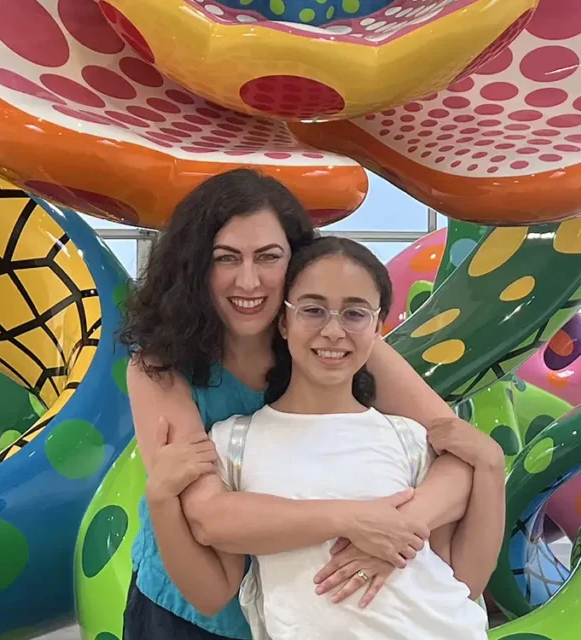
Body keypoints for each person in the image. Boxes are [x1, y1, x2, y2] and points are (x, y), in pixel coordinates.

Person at [118, 169, 506, 639]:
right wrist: (353, 521)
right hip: (192, 610)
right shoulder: (161, 367)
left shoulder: (336, 342)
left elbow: (460, 453)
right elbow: (207, 516)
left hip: (317, 607)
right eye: (226, 258)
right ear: (195, 265)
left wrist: (397, 529)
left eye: (269, 257)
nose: (249, 280)